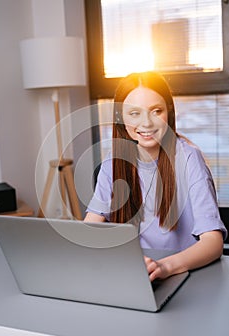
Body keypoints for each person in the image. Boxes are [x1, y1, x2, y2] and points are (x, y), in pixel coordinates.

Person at [84, 71, 227, 282]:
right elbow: (91, 229)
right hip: (135, 274)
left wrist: (165, 267)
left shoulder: (188, 158)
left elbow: (213, 243)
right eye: (134, 113)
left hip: (183, 274)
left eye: (156, 111)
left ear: (168, 112)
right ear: (120, 117)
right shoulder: (113, 162)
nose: (147, 123)